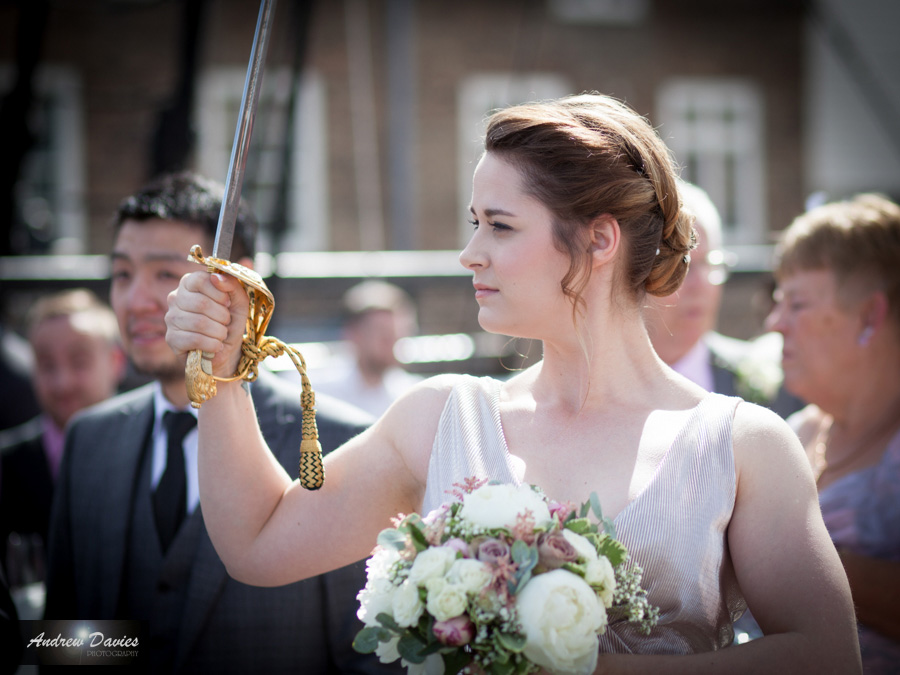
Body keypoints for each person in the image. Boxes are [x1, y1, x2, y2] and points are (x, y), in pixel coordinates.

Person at [166, 94, 861, 672]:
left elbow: (829, 656)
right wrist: (222, 370)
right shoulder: (440, 418)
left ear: (598, 239)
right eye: (475, 223)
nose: (471, 253)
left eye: (499, 225)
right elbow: (258, 542)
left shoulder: (742, 444)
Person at [44, 172, 401, 674]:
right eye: (123, 274)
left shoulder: (339, 443)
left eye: (167, 274)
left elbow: (367, 655)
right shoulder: (90, 439)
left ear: (242, 285)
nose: (138, 300)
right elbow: (62, 636)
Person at [765, 193, 900, 673]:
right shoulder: (794, 431)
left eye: (796, 303)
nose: (774, 322)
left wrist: (794, 559)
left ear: (870, 316)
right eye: (777, 302)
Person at [644, 181, 803, 418]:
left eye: (709, 263)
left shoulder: (776, 383)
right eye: (680, 265)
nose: (700, 284)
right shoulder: (595, 388)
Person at [0, 288, 125, 591]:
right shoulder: (6, 465)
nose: (62, 382)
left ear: (115, 361)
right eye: (46, 365)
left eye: (79, 361)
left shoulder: (159, 452)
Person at [306, 280, 423, 418]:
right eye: (382, 333)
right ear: (354, 334)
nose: (393, 342)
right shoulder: (317, 389)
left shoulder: (411, 394)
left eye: (400, 333)